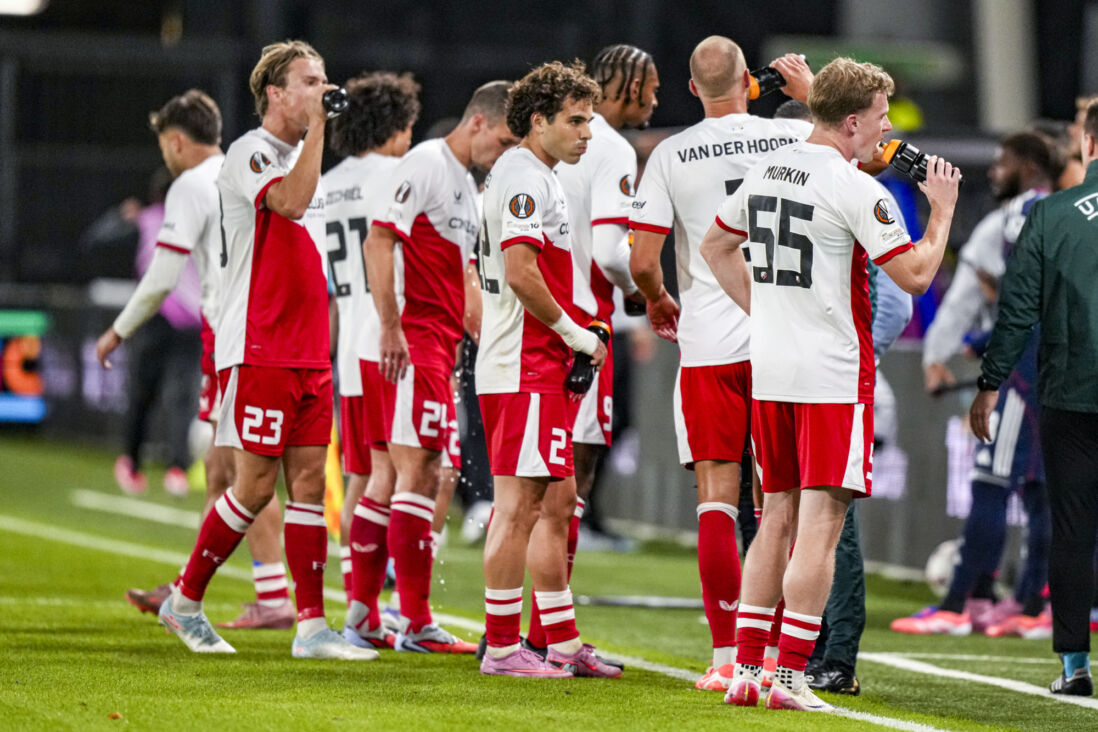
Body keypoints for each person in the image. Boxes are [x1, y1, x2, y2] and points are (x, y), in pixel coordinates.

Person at [701, 56, 961, 711]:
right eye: (881, 117)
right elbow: (916, 276)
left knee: (773, 518)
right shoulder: (856, 188)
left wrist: (762, 312)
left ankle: (747, 670)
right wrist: (942, 212)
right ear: (852, 121)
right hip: (832, 376)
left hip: (772, 369)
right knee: (820, 523)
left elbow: (715, 246)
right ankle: (792, 676)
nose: (887, 129)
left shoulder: (769, 166)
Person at [155, 40, 375, 660]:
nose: (321, 90)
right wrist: (320, 129)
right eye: (309, 81)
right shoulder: (250, 153)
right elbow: (291, 204)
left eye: (324, 79)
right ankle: (184, 602)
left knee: (308, 485)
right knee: (253, 488)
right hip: (259, 344)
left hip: (308, 349)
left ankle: (311, 627)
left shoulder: (307, 158)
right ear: (275, 93)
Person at [628, 35, 812, 691]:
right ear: (748, 82)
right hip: (781, 336)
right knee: (781, 503)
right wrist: (810, 95)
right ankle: (776, 655)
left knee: (716, 501)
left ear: (690, 87)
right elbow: (863, 163)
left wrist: (657, 301)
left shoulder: (670, 153)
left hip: (708, 342)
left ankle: (726, 654)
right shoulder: (794, 138)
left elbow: (642, 260)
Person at [97, 90, 294, 630]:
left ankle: (260, 596)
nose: (167, 155)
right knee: (226, 470)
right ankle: (201, 588)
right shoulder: (248, 170)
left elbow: (162, 276)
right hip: (263, 328)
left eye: (165, 144)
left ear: (178, 140)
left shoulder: (191, 183)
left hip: (229, 334)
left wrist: (118, 330)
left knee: (245, 472)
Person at [357, 79, 516, 654]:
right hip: (412, 341)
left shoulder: (466, 187)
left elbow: (461, 276)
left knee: (402, 475)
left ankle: (365, 614)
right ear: (477, 122)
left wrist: (484, 335)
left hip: (434, 345)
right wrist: (391, 325)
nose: (503, 154)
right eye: (503, 141)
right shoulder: (426, 163)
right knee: (419, 473)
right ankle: (414, 620)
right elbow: (379, 241)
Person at [477, 60, 619, 679]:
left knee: (556, 501)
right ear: (538, 121)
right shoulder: (524, 177)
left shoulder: (536, 174)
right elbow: (520, 272)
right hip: (524, 366)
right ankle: (502, 648)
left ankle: (561, 640)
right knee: (517, 508)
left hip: (536, 364)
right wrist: (577, 334)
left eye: (590, 121)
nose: (587, 133)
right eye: (576, 121)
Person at [521, 42, 658, 657]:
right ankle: (545, 636)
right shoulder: (610, 147)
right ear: (625, 86)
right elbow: (608, 251)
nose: (654, 99)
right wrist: (641, 291)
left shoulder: (535, 145)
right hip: (581, 328)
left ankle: (516, 632)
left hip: (530, 321)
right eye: (650, 87)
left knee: (525, 488)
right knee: (569, 485)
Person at [896, 132, 1058, 639]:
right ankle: (1031, 602)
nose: (993, 171)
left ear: (1028, 166)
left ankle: (961, 602)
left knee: (991, 482)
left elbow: (1027, 301)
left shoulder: (1021, 215)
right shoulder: (1069, 211)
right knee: (1040, 491)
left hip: (1023, 373)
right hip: (1059, 370)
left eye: (1003, 162)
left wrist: (975, 345)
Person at [970, 100, 1098, 697]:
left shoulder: (1051, 214)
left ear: (1088, 146)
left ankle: (1075, 666)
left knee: (1072, 529)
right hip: (1070, 392)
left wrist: (990, 383)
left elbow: (1017, 309)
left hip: (1071, 394)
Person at [321, 70, 419, 633]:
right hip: (396, 341)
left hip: (350, 347)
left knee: (361, 476)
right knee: (417, 474)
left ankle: (360, 601)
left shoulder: (326, 186)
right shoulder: (403, 174)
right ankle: (407, 607)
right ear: (396, 125)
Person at [99, 168, 202, 498]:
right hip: (184, 318)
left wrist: (120, 216)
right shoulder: (193, 220)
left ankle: (141, 463)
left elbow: (95, 242)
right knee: (179, 396)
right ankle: (172, 468)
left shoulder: (148, 218)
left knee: (149, 394)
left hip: (160, 316)